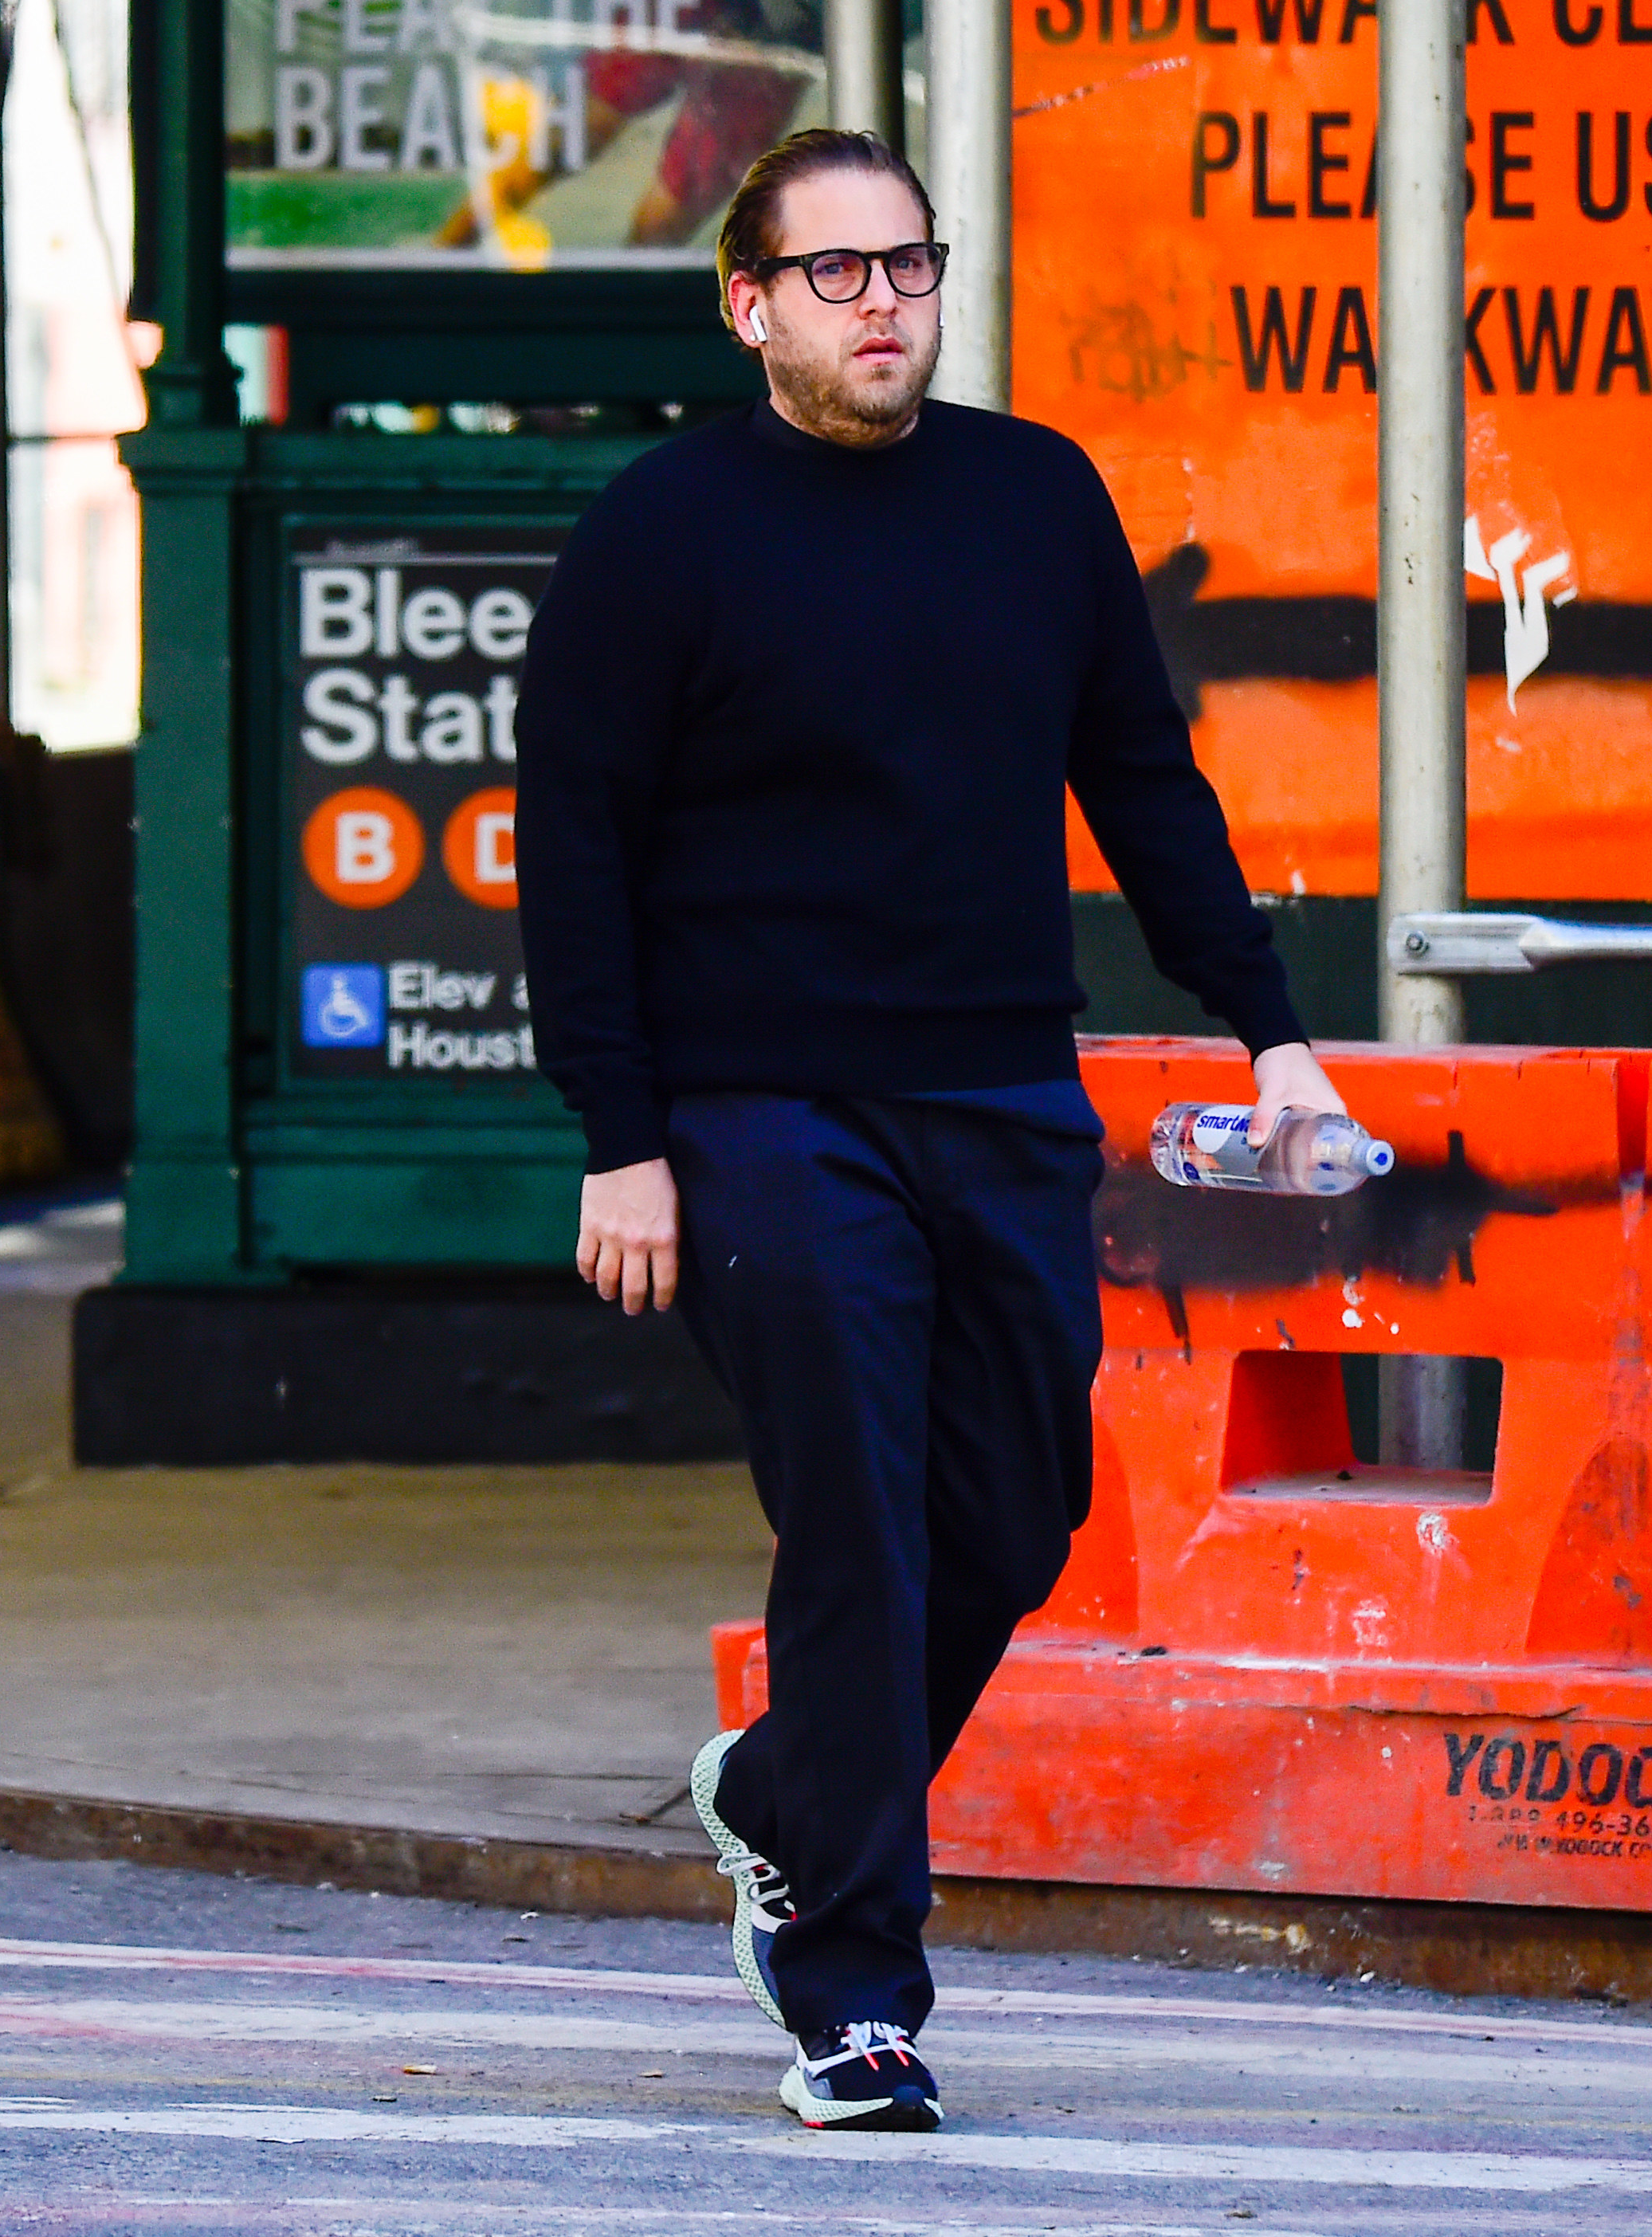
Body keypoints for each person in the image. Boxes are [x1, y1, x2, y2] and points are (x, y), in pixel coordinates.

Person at [515, 128, 1344, 2135]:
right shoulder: (664, 530)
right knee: (865, 1523)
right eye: (837, 276)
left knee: (1016, 1510)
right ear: (749, 305)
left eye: (912, 267)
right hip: (762, 1109)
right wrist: (623, 1137)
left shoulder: (1034, 495)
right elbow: (573, 846)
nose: (885, 305)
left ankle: (788, 1783)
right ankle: (855, 1992)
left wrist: (1274, 1037)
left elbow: (1140, 777)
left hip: (997, 1084)